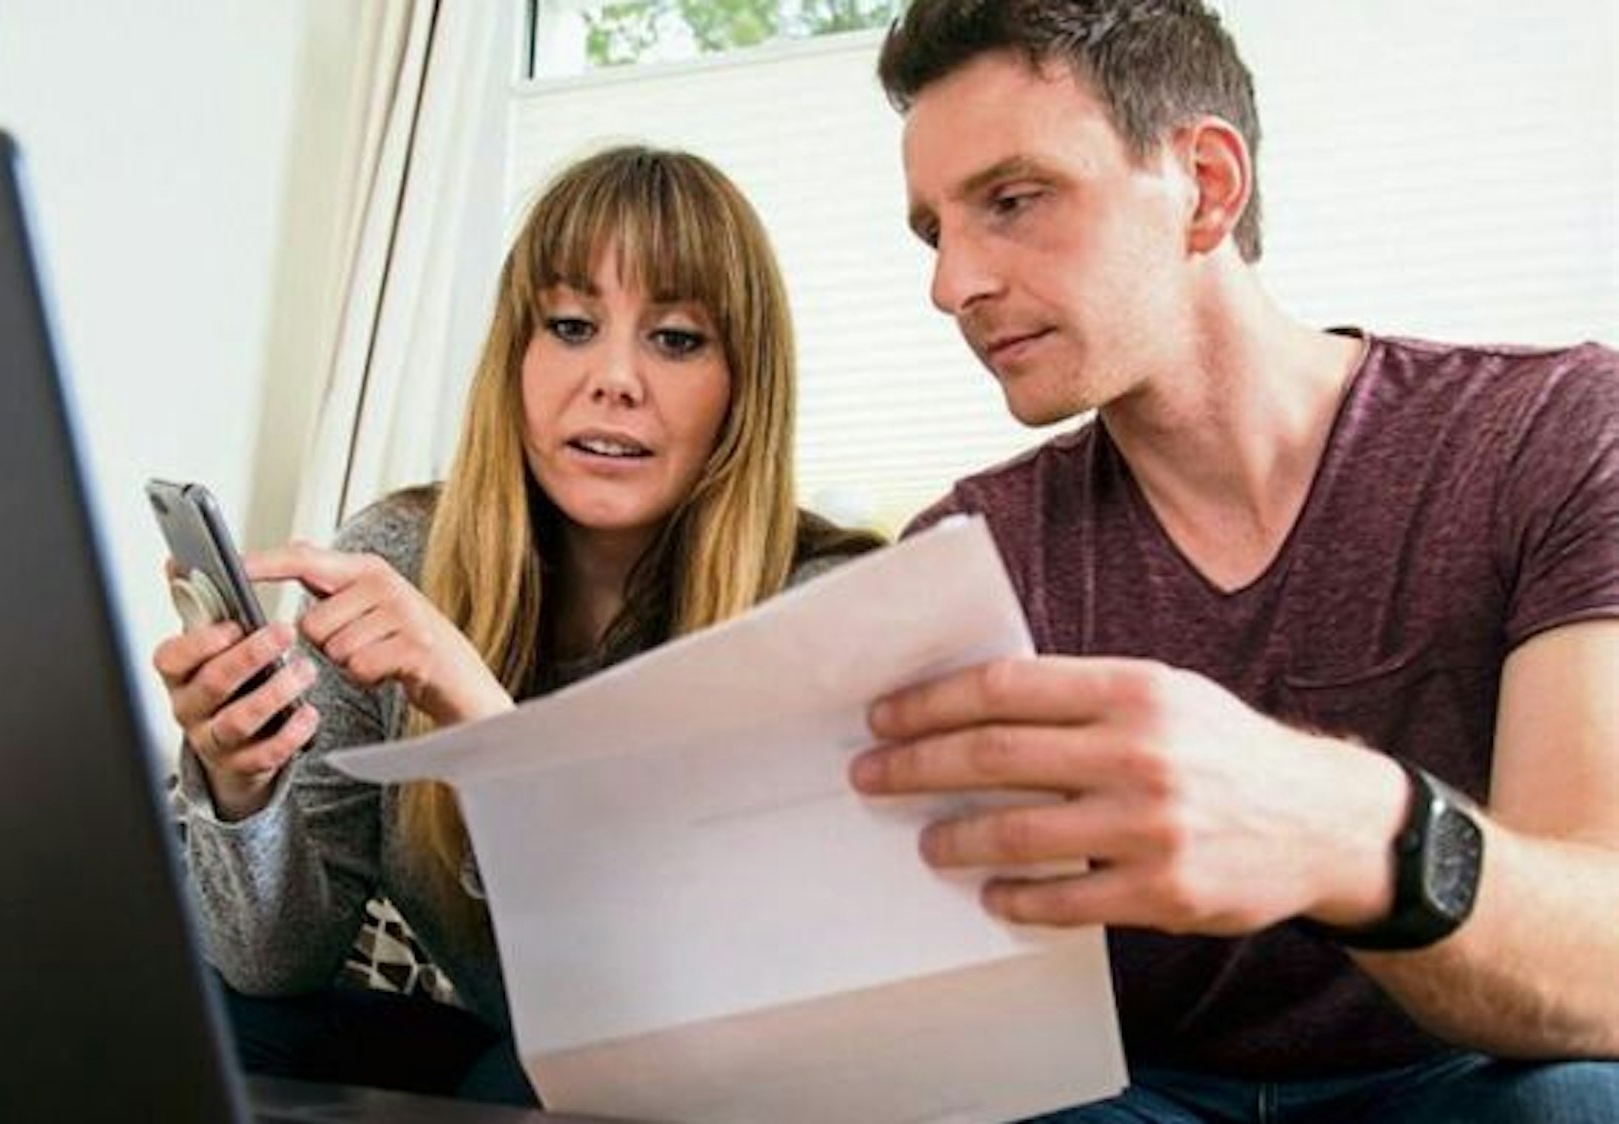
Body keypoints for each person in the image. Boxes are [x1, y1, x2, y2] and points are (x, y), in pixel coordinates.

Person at [847, 1, 1619, 1120]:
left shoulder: (1548, 434)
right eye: (934, 233)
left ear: (1205, 185)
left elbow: (1601, 966)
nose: (951, 283)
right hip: (1130, 1096)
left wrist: (1346, 827)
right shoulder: (968, 554)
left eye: (1013, 201)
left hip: (1462, 1080)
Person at [154, 145, 882, 1103]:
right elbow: (272, 961)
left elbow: (666, 999)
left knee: (519, 1085)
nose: (614, 378)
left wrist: (484, 726)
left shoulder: (818, 605)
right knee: (193, 1017)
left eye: (676, 339)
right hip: (508, 1045)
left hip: (715, 1075)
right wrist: (240, 789)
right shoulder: (403, 554)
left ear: (744, 384)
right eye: (571, 326)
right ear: (515, 357)